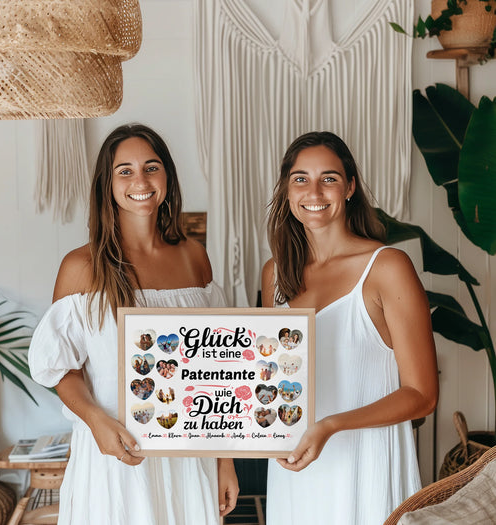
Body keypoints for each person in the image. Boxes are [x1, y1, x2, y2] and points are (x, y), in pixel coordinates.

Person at [29, 123, 238, 525]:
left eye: (151, 167)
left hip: (189, 454)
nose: (140, 181)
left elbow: (217, 367)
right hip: (116, 455)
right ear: (107, 185)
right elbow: (61, 368)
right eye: (124, 171)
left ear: (167, 176)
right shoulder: (81, 266)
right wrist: (95, 420)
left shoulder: (194, 256)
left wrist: (224, 461)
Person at [261, 131, 438, 525]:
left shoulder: (387, 267)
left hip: (365, 467)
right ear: (287, 190)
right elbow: (269, 379)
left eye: (329, 178)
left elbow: (422, 395)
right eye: (301, 179)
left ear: (350, 187)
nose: (314, 192)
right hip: (294, 469)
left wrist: (331, 426)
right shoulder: (274, 274)